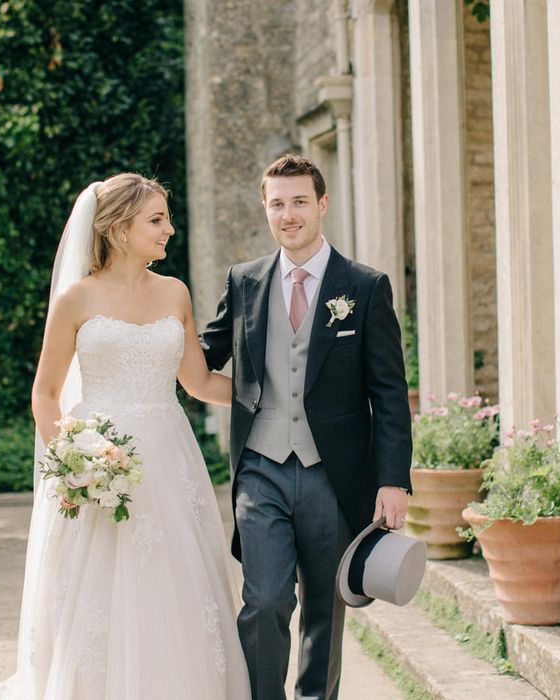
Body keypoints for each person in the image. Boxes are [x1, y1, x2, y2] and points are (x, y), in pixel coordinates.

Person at [0, 173, 251, 699]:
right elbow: (45, 393)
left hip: (167, 459)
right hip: (97, 461)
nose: (170, 230)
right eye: (157, 219)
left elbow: (196, 382)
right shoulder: (76, 299)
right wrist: (71, 458)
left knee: (174, 586)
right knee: (97, 594)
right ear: (117, 227)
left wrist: (272, 393)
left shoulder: (174, 292)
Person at [200, 154, 412, 700]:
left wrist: (393, 480)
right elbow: (205, 352)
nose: (288, 214)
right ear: (265, 209)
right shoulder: (244, 281)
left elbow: (387, 392)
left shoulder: (364, 287)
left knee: (325, 609)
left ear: (321, 204)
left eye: (299, 202)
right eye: (277, 204)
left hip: (333, 475)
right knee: (265, 600)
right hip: (261, 469)